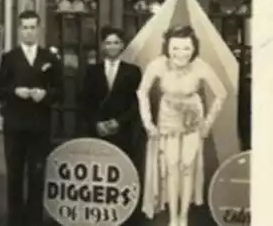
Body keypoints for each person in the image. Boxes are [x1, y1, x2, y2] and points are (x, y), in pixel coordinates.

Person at [137, 26, 228, 226]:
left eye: (186, 48)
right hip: (167, 116)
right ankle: (172, 217)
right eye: (175, 48)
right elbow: (141, 91)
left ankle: (184, 217)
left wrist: (207, 123)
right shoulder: (158, 64)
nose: (181, 53)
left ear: (194, 48)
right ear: (167, 47)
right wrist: (148, 123)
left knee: (187, 166)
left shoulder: (200, 65)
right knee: (171, 166)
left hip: (192, 117)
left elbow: (221, 93)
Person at [0, 10, 61, 226]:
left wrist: (46, 95)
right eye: (24, 27)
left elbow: (60, 89)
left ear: (39, 29)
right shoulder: (9, 57)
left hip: (39, 124)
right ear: (19, 30)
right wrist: (15, 91)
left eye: (32, 27)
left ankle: (34, 220)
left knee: (36, 174)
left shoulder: (49, 57)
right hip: (14, 124)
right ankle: (14, 221)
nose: (28, 31)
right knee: (14, 175)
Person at [80, 26, 143, 160]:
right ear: (102, 46)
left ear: (122, 45)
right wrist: (96, 123)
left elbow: (136, 103)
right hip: (97, 131)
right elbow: (85, 102)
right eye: (108, 43)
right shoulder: (92, 71)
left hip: (123, 132)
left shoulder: (132, 71)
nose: (112, 46)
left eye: (116, 43)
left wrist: (119, 122)